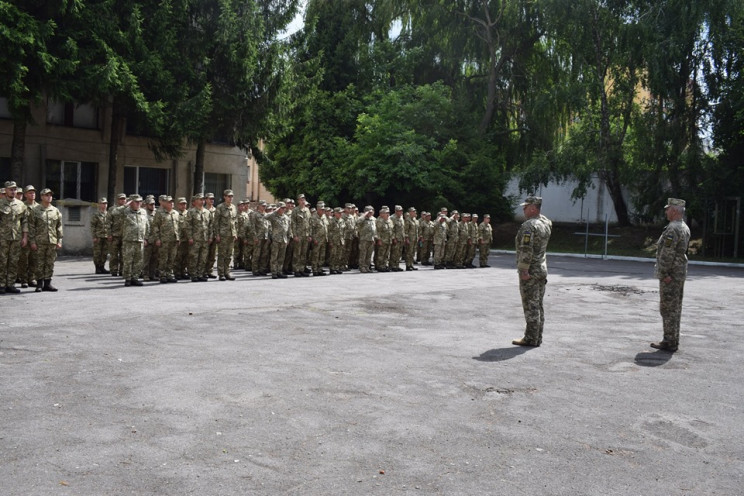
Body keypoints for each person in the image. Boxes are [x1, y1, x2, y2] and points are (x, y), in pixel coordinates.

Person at [651, 198, 691, 352]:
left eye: (668, 209)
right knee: (675, 308)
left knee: (668, 308)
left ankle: (669, 341)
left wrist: (664, 273)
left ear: (674, 211)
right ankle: (673, 340)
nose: (666, 211)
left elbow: (668, 253)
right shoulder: (683, 227)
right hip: (679, 273)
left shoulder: (672, 229)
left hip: (671, 274)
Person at [512, 196, 552, 347]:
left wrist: (523, 270)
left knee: (531, 305)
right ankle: (537, 336)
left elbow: (526, 250)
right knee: (538, 304)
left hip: (531, 271)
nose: (523, 209)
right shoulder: (546, 223)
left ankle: (530, 338)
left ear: (533, 208)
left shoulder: (529, 226)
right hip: (541, 269)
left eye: (526, 207)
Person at [28, 188, 63, 291]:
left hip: (52, 241)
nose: (49, 197)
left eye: (50, 195)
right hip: (39, 242)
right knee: (39, 262)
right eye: (46, 195)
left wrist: (59, 240)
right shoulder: (35, 210)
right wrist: (32, 241)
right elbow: (31, 227)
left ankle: (47, 283)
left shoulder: (55, 211)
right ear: (42, 197)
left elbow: (59, 227)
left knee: (50, 263)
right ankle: (39, 284)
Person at [0, 181, 29, 294]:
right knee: (2, 261)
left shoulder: (21, 205)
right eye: (10, 189)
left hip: (16, 237)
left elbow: (25, 222)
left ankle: (10, 284)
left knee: (13, 261)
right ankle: (1, 285)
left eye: (14, 189)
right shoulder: (0, 203)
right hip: (3, 237)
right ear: (6, 190)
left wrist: (25, 237)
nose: (13, 191)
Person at [120, 195, 150, 286]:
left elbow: (147, 225)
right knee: (128, 260)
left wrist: (146, 238)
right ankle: (128, 279)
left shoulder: (143, 212)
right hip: (129, 240)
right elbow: (115, 212)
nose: (138, 203)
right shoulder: (125, 211)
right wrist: (126, 205)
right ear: (131, 202)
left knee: (138, 260)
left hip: (140, 240)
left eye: (140, 202)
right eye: (136, 202)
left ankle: (135, 278)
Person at [184, 193, 213, 282]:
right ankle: (193, 274)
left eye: (203, 200)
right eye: (200, 199)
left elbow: (210, 226)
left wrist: (210, 237)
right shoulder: (191, 212)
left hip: (205, 239)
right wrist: (190, 237)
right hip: (195, 239)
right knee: (194, 257)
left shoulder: (207, 212)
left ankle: (200, 274)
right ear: (195, 201)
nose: (202, 201)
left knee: (203, 257)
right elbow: (188, 226)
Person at [152, 196, 180, 283]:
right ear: (165, 204)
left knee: (172, 258)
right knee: (163, 258)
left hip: (174, 239)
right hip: (164, 240)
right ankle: (162, 275)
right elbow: (155, 226)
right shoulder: (160, 213)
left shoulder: (176, 213)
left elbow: (178, 227)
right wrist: (157, 239)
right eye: (169, 202)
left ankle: (169, 274)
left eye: (172, 202)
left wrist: (178, 238)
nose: (171, 203)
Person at [213, 189, 238, 281]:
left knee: (229, 254)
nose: (230, 198)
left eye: (231, 196)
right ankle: (221, 273)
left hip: (231, 234)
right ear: (224, 197)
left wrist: (235, 233)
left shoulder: (234, 207)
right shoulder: (220, 207)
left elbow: (235, 221)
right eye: (228, 196)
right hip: (223, 234)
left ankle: (227, 272)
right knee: (222, 254)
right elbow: (216, 222)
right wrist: (217, 235)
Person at [18, 185, 39, 287]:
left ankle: (32, 278)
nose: (32, 194)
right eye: (30, 193)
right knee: (23, 259)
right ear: (25, 194)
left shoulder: (39, 207)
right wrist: (23, 237)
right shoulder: (21, 206)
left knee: (34, 259)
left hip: (36, 237)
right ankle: (24, 280)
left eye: (34, 192)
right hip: (25, 236)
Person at [265, 201, 291, 279]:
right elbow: (265, 217)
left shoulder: (286, 217)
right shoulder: (273, 216)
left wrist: (288, 239)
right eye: (281, 208)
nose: (283, 209)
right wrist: (275, 211)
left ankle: (279, 271)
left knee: (281, 257)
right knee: (274, 257)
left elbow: (289, 229)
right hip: (276, 240)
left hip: (284, 240)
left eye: (284, 208)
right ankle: (274, 272)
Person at [90, 197, 110, 274]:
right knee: (97, 253)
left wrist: (110, 235)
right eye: (103, 203)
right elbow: (93, 226)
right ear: (99, 205)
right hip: (98, 236)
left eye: (105, 203)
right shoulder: (96, 215)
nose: (104, 205)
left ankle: (102, 267)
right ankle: (97, 267)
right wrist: (94, 236)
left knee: (104, 253)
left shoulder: (108, 214)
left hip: (106, 236)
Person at [357, 206, 377, 273]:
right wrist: (364, 215)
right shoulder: (362, 219)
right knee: (363, 254)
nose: (370, 213)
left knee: (369, 254)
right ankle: (362, 267)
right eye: (369, 212)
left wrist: (374, 238)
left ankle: (367, 267)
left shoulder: (373, 219)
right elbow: (358, 222)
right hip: (364, 239)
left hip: (371, 239)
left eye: (372, 211)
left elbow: (374, 230)